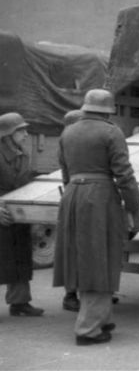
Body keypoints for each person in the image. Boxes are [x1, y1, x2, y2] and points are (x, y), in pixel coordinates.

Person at [53, 90, 139, 346]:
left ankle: (101, 319)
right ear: (108, 109)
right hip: (100, 198)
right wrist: (137, 210)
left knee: (87, 256)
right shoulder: (111, 132)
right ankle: (88, 329)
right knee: (99, 257)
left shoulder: (68, 131)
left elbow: (64, 170)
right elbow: (124, 175)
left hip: (72, 195)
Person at [0, 112, 45, 317]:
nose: (26, 134)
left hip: (18, 214)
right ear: (8, 133)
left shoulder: (23, 153)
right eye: (22, 130)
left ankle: (19, 303)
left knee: (20, 257)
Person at [58, 110, 84, 312]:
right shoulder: (73, 142)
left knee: (75, 248)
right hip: (78, 199)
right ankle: (71, 295)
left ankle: (79, 295)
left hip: (71, 196)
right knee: (78, 248)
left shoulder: (65, 141)